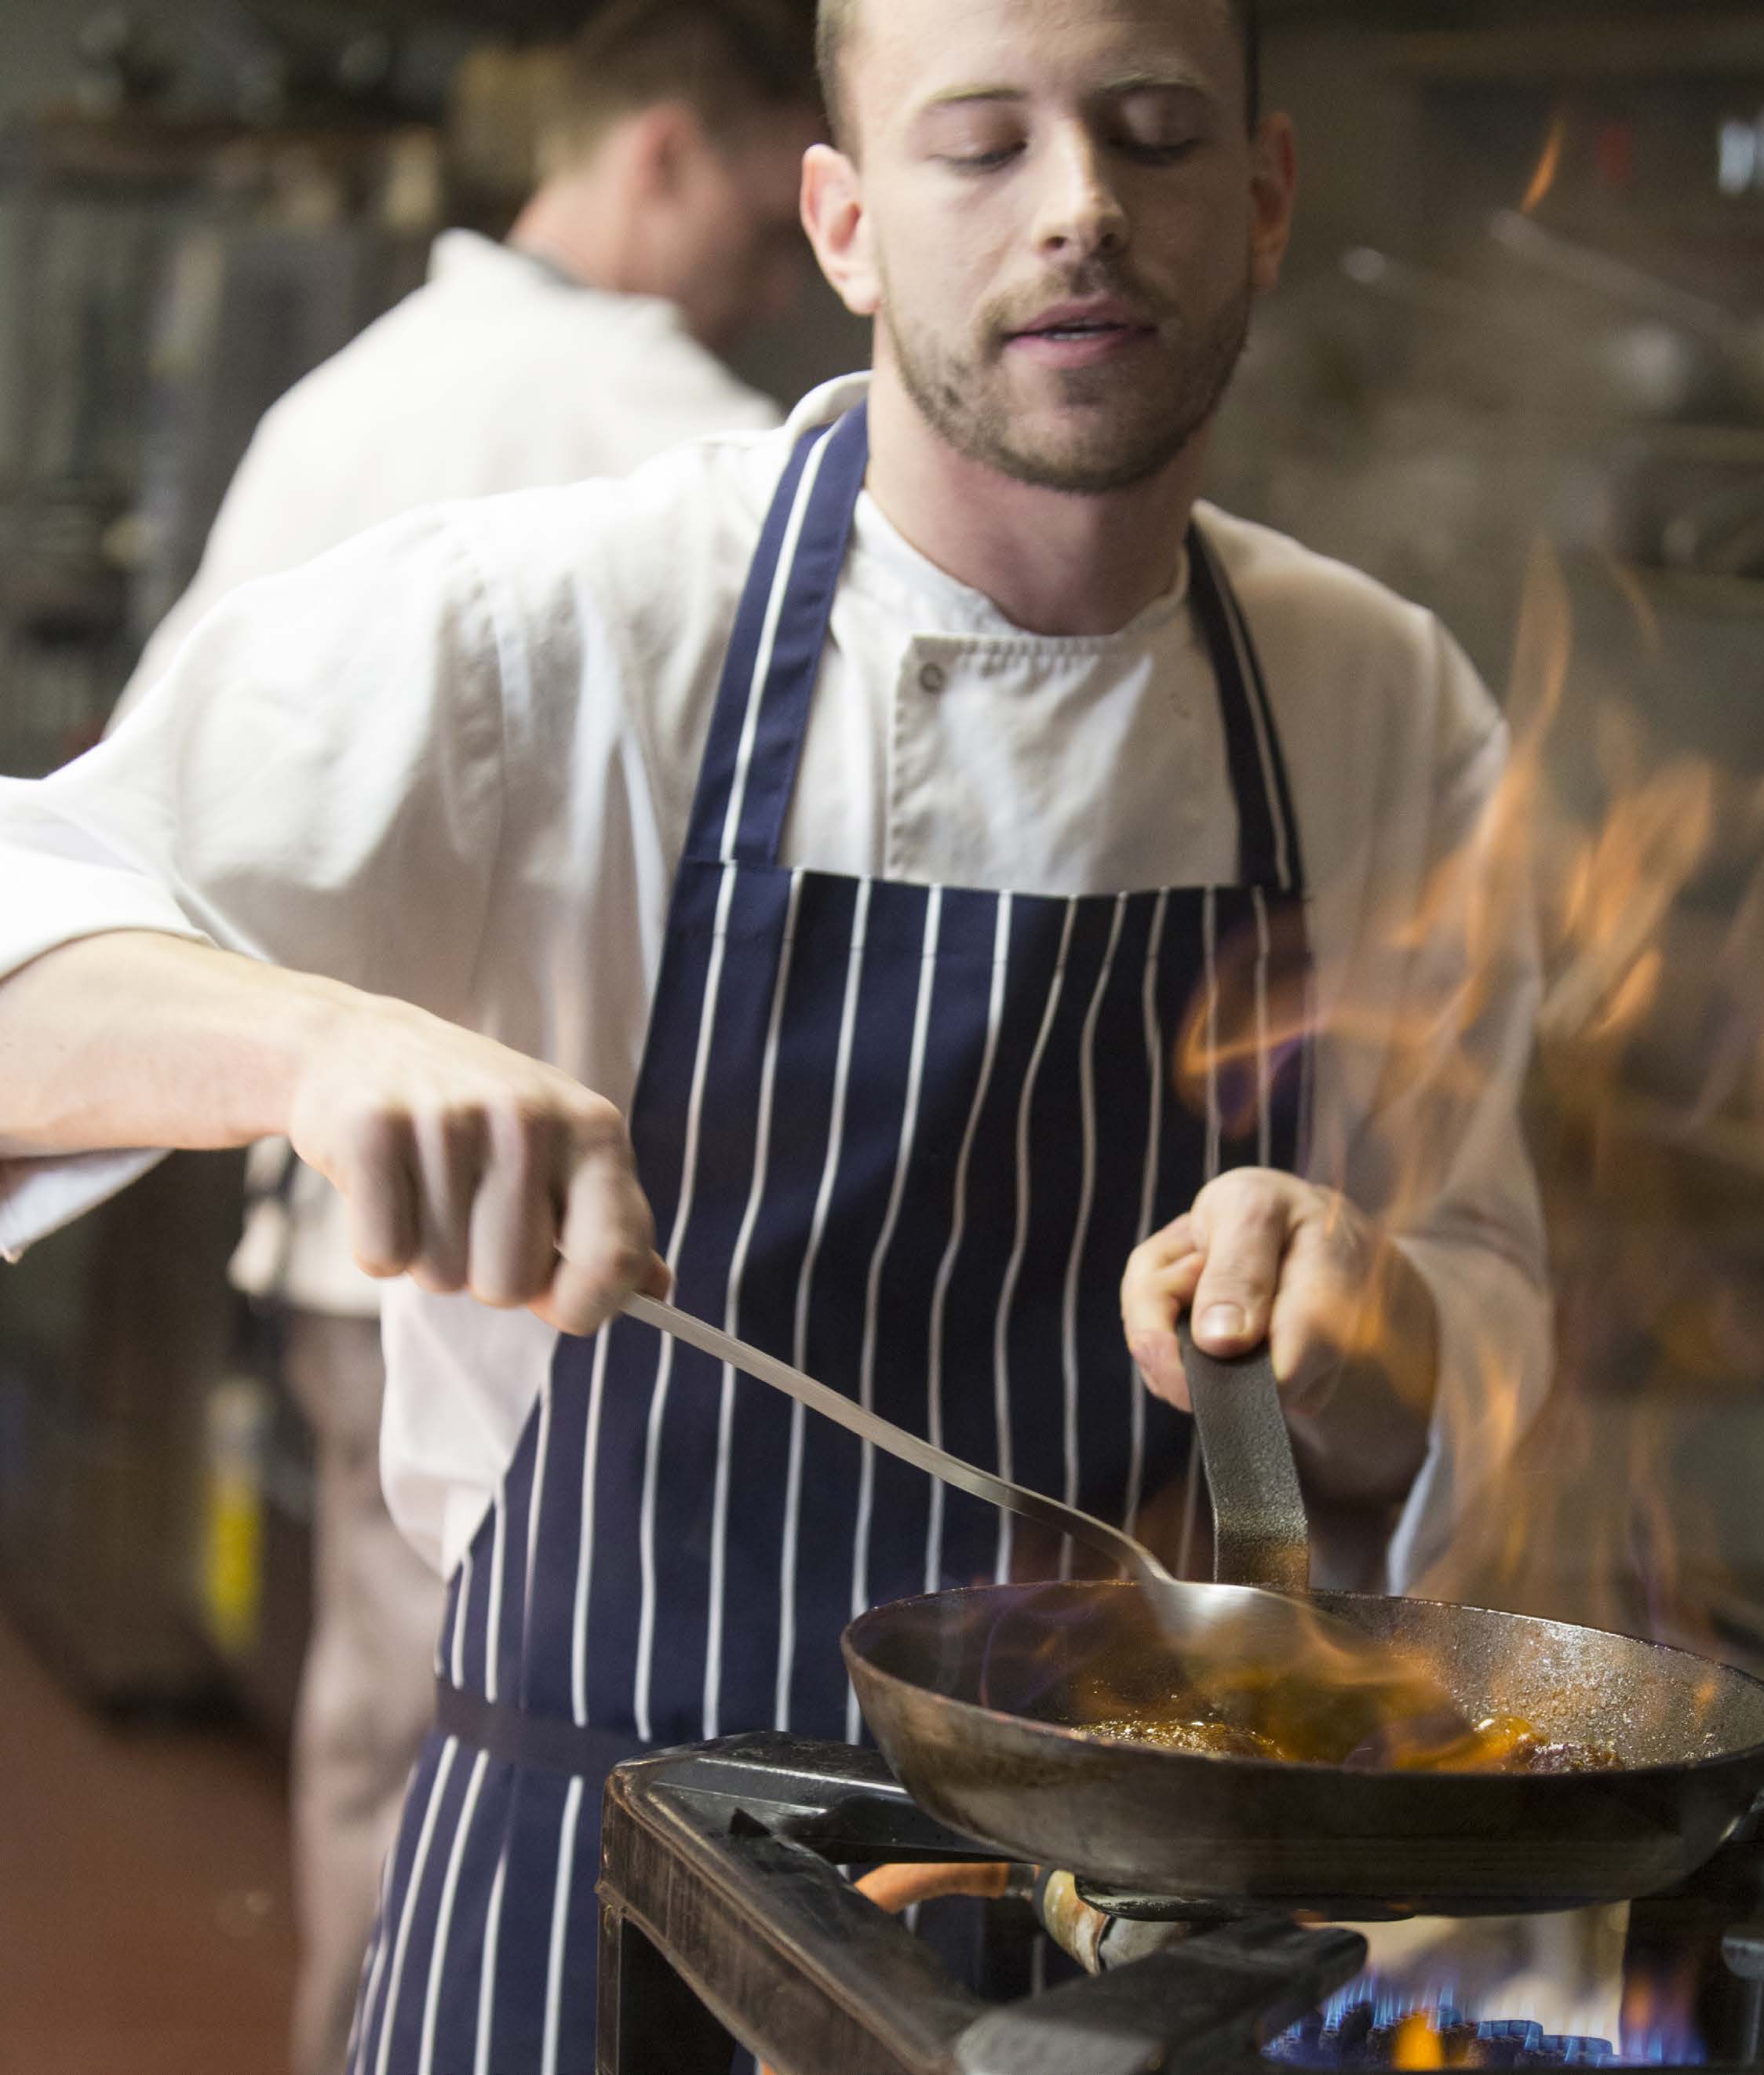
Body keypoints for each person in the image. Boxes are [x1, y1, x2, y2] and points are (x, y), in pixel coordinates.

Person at [0, 0, 1552, 2068]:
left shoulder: (1381, 703)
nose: (1081, 209)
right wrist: (313, 1045)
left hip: (1132, 1949)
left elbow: (1487, 1348)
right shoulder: (565, 631)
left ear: (1263, 199)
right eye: (978, 145)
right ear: (841, 223)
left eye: (1157, 133)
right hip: (593, 1911)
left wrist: (1383, 1335)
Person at [111, 5, 822, 2072]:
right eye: (768, 225)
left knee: (372, 1731)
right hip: (558, 1255)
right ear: (672, 156)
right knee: (532, 1767)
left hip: (332, 1222)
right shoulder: (693, 448)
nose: (774, 283)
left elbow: (164, 820)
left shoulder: (345, 397)